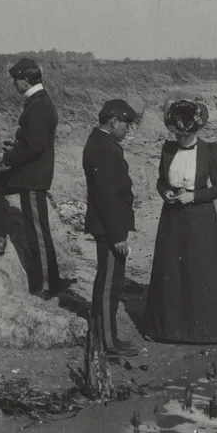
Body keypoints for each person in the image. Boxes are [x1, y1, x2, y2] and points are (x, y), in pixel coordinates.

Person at [0, 58, 71, 298]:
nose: (14, 85)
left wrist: (7, 157)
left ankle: (48, 285)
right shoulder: (38, 102)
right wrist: (14, 145)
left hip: (32, 177)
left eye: (15, 80)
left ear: (25, 81)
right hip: (28, 173)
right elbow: (32, 140)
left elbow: (35, 146)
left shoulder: (38, 105)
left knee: (37, 231)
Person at [144, 100, 217, 345]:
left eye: (185, 135)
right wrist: (165, 193)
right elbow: (161, 181)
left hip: (200, 217)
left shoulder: (211, 150)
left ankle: (203, 333)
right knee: (169, 271)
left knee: (200, 272)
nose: (180, 139)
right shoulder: (167, 149)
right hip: (172, 216)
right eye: (177, 134)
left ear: (196, 131)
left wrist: (195, 195)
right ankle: (165, 330)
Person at [82, 99, 140, 357]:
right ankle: (106, 341)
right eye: (126, 124)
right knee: (109, 284)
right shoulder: (104, 149)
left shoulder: (101, 143)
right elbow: (106, 195)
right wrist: (118, 235)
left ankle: (106, 335)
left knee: (111, 282)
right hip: (109, 229)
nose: (128, 129)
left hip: (109, 225)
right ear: (114, 121)